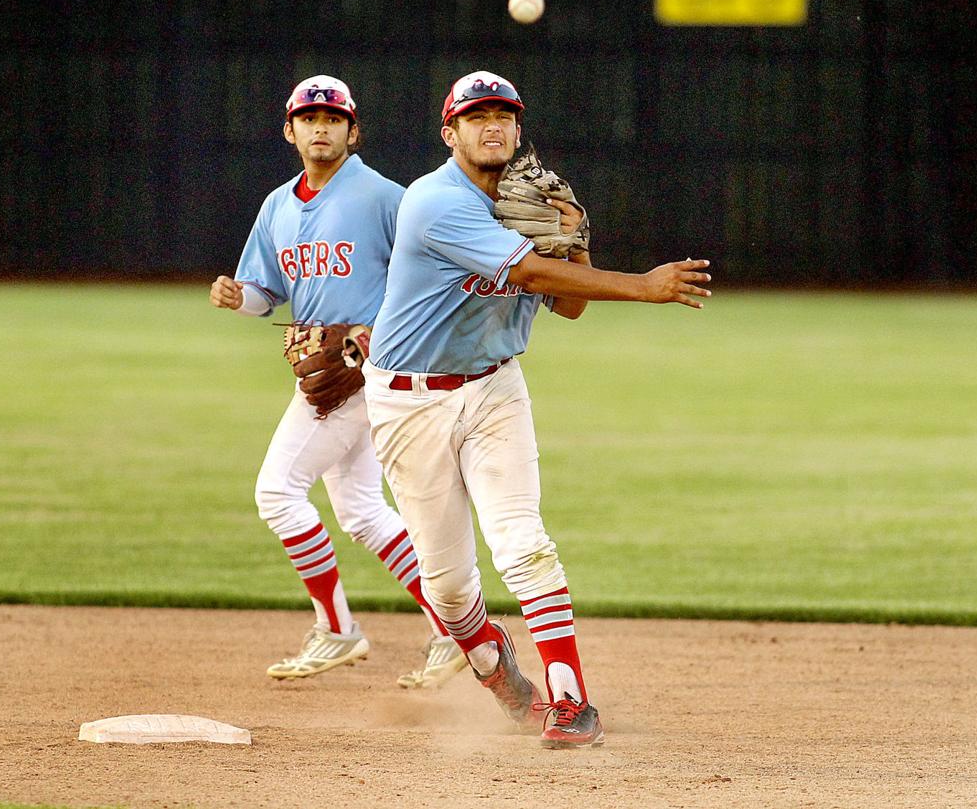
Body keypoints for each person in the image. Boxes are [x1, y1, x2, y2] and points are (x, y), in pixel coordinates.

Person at [362, 70, 712, 748]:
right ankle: (494, 664)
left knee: (523, 543)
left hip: (494, 390)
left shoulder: (529, 200)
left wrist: (577, 238)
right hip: (409, 403)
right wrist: (643, 286)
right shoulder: (434, 201)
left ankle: (571, 699)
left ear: (518, 130)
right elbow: (528, 274)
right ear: (450, 132)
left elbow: (569, 301)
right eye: (474, 115)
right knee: (451, 589)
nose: (490, 125)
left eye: (503, 114)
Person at [210, 75, 467, 689]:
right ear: (290, 131)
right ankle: (454, 632)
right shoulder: (277, 206)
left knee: (277, 492)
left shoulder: (383, 197)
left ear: (353, 132)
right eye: (308, 118)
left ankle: (337, 629)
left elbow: (428, 275)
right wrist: (238, 296)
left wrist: (377, 329)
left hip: (372, 369)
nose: (320, 127)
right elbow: (268, 292)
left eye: (333, 118)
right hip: (326, 370)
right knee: (360, 513)